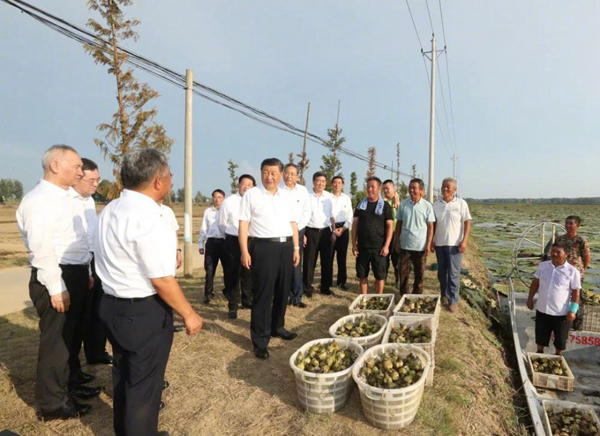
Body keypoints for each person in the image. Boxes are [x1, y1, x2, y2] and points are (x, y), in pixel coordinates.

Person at [95, 148, 202, 435]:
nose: (170, 181)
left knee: (124, 375)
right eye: (169, 176)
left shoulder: (110, 210)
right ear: (157, 181)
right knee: (144, 386)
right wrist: (189, 314)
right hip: (141, 311)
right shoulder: (148, 217)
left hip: (112, 306)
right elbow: (162, 280)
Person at [16, 145, 99, 420]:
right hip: (55, 275)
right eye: (75, 166)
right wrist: (57, 287)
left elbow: (76, 240)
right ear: (55, 165)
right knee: (56, 344)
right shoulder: (40, 199)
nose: (79, 170)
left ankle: (68, 387)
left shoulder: (65, 198)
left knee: (71, 339)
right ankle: (52, 404)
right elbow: (42, 249)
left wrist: (84, 271)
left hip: (73, 272)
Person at [239, 158, 300, 360]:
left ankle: (278, 327)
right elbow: (243, 225)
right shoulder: (252, 195)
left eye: (273, 173)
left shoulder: (286, 196)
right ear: (261, 173)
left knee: (283, 290)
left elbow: (293, 224)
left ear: (281, 174)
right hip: (263, 247)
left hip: (286, 247)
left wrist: (296, 248)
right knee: (263, 294)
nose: (269, 177)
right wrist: (244, 251)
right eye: (265, 172)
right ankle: (260, 340)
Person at [70, 158, 113, 365]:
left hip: (95, 260)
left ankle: (96, 352)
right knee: (80, 315)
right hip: (78, 263)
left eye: (98, 179)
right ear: (77, 176)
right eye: (91, 180)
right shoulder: (67, 201)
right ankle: (73, 366)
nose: (96, 184)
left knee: (98, 310)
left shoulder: (89, 201)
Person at [527, 242, 581, 355]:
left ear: (566, 254)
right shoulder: (543, 266)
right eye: (553, 251)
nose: (554, 254)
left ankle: (558, 356)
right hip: (542, 309)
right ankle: (539, 352)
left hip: (561, 313)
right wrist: (530, 298)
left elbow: (576, 292)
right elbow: (535, 283)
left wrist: (573, 310)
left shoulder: (572, 271)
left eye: (558, 252)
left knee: (560, 340)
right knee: (541, 336)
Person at [218, 175, 256, 319]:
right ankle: (233, 305)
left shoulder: (254, 201)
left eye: (250, 184)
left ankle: (247, 300)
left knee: (248, 272)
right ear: (238, 185)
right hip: (232, 241)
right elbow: (221, 223)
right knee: (232, 273)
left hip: (250, 240)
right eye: (244, 183)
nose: (246, 186)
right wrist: (228, 237)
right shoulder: (229, 202)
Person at [432, 177, 472, 312]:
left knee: (454, 273)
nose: (445, 188)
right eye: (443, 186)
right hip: (439, 243)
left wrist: (464, 240)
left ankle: (453, 300)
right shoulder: (436, 204)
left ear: (455, 189)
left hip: (455, 244)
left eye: (448, 186)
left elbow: (467, 222)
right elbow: (433, 224)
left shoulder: (461, 204)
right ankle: (444, 294)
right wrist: (432, 240)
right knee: (442, 272)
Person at [351, 177, 394, 294]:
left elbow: (390, 227)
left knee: (380, 275)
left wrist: (386, 246)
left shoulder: (385, 206)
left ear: (379, 188)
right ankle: (364, 297)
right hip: (363, 247)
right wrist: (354, 245)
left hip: (379, 247)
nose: (370, 189)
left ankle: (379, 297)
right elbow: (355, 226)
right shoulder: (361, 206)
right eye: (368, 187)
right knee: (362, 274)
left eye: (372, 187)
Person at [394, 178, 435, 295]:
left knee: (419, 273)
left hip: (420, 246)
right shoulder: (403, 204)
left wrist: (428, 243)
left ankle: (417, 295)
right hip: (405, 245)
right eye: (410, 187)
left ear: (421, 190)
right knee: (403, 273)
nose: (411, 190)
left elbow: (430, 226)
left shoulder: (427, 206)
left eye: (414, 188)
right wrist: (397, 240)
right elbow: (399, 224)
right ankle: (404, 295)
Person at [281, 164, 311, 308]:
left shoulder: (303, 191)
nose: (289, 176)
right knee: (281, 265)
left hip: (297, 232)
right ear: (282, 174)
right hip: (280, 232)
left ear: (297, 176)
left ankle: (296, 297)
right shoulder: (278, 191)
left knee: (296, 264)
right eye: (287, 173)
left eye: (293, 174)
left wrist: (297, 230)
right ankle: (282, 295)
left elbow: (307, 212)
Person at [303, 171, 335, 297]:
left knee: (327, 261)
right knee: (309, 261)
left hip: (326, 231)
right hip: (311, 231)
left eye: (323, 181)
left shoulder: (328, 197)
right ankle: (307, 288)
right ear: (313, 182)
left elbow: (332, 216)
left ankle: (325, 287)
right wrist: (304, 233)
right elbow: (303, 215)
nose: (320, 184)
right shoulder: (307, 196)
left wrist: (333, 231)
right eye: (318, 181)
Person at [199, 189, 227, 304]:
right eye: (215, 197)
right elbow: (203, 228)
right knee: (209, 270)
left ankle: (228, 292)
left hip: (225, 243)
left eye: (220, 197)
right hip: (211, 244)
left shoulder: (227, 210)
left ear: (224, 198)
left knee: (228, 270)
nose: (217, 199)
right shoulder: (208, 211)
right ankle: (208, 294)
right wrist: (201, 244)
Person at [330, 175, 353, 291]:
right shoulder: (327, 198)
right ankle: (327, 281)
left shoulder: (346, 198)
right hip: (330, 228)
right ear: (331, 184)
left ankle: (341, 281)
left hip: (343, 229)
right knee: (328, 256)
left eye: (339, 183)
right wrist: (333, 231)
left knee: (342, 257)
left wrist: (343, 229)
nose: (337, 185)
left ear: (342, 185)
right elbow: (328, 215)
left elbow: (350, 215)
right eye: (335, 182)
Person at [382, 179, 401, 286]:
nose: (385, 191)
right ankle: (382, 279)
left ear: (393, 189)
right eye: (384, 189)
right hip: (384, 234)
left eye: (387, 188)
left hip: (396, 234)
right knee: (384, 258)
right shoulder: (382, 203)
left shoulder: (400, 204)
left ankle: (398, 280)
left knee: (397, 259)